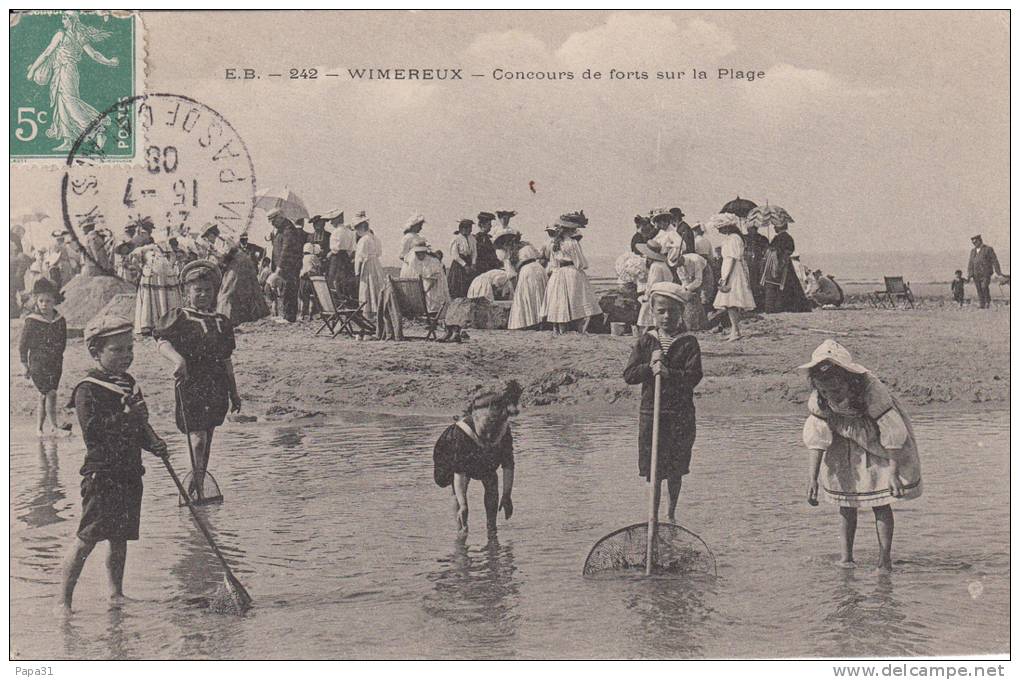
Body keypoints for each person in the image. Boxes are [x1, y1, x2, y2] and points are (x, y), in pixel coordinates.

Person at [60, 313, 168, 611]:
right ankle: (63, 602)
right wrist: (126, 415)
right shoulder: (88, 388)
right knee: (87, 538)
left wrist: (153, 443)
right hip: (102, 473)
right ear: (96, 352)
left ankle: (115, 593)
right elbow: (93, 431)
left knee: (120, 538)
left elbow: (141, 425)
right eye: (116, 350)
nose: (125, 356)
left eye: (129, 348)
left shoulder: (129, 383)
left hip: (129, 471)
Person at [801, 340, 922, 572]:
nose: (831, 396)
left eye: (836, 390)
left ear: (849, 380)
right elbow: (816, 438)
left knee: (881, 502)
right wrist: (812, 479)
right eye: (824, 391)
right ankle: (846, 558)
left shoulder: (871, 390)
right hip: (842, 443)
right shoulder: (819, 399)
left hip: (877, 443)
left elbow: (892, 432)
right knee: (846, 503)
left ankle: (884, 560)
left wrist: (894, 473)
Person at [154, 261, 241, 502]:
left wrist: (234, 392)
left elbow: (226, 360)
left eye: (207, 290)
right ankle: (189, 491)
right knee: (198, 440)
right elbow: (161, 341)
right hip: (191, 383)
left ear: (214, 291)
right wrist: (178, 360)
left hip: (216, 385)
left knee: (208, 439)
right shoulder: (180, 317)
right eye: (197, 290)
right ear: (187, 292)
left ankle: (199, 489)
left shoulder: (222, 321)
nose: (203, 295)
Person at [623, 282, 703, 523]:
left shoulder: (688, 342)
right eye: (661, 311)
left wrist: (670, 373)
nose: (667, 316)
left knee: (676, 468)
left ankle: (671, 514)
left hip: (679, 414)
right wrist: (650, 367)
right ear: (653, 312)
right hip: (652, 413)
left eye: (672, 311)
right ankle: (653, 516)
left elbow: (694, 376)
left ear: (681, 313)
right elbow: (629, 375)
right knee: (655, 469)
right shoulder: (647, 341)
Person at [433, 381, 522, 537]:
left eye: (493, 424)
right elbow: (459, 472)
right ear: (475, 418)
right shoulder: (461, 433)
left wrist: (507, 495)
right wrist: (463, 504)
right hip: (454, 455)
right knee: (456, 490)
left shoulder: (502, 429)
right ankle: (461, 529)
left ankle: (492, 530)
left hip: (481, 455)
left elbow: (508, 464)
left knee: (491, 480)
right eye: (486, 424)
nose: (489, 433)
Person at [26, 11, 120, 152]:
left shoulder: (62, 35)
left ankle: (97, 132)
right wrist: (109, 62)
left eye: (65, 18)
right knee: (61, 104)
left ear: (72, 20)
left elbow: (47, 53)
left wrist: (32, 70)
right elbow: (93, 54)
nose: (62, 20)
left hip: (67, 72)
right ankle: (67, 140)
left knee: (70, 103)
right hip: (63, 72)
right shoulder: (77, 35)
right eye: (63, 17)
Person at [20, 278, 71, 436]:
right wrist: (24, 365)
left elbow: (63, 342)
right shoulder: (32, 321)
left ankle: (39, 429)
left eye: (48, 301)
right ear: (36, 300)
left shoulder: (60, 321)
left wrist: (57, 357)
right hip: (38, 363)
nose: (44, 305)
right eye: (41, 301)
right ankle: (54, 426)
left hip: (55, 363)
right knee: (50, 393)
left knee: (44, 395)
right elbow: (23, 345)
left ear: (54, 301)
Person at [541, 212, 602, 334]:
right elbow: (580, 262)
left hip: (557, 273)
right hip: (571, 272)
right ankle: (580, 330)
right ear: (571, 229)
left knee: (559, 301)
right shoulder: (572, 243)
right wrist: (582, 267)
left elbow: (553, 263)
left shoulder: (554, 243)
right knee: (581, 300)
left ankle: (558, 329)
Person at [711, 213, 756, 341]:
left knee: (731, 302)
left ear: (727, 227)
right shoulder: (734, 237)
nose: (718, 230)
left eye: (720, 227)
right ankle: (735, 330)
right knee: (731, 303)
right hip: (732, 269)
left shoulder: (733, 238)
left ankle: (735, 331)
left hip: (733, 271)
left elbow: (732, 259)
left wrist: (726, 277)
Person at [217, 238, 271, 326]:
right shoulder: (223, 241)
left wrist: (220, 263)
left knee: (229, 291)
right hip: (241, 264)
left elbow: (226, 255)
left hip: (238, 265)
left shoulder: (222, 240)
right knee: (245, 291)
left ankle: (228, 317)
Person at [133, 238, 181, 335]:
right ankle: (158, 322)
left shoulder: (147, 251)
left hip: (157, 275)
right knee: (157, 297)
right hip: (159, 275)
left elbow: (134, 259)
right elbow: (173, 257)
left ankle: (154, 323)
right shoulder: (146, 250)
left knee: (154, 298)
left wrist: (141, 268)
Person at [761, 222, 811, 313]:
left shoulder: (779, 238)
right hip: (786, 264)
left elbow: (775, 250)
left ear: (779, 227)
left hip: (779, 264)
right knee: (789, 285)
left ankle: (778, 307)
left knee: (778, 285)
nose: (774, 228)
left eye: (775, 226)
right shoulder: (788, 237)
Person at [269, 209, 306, 322]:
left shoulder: (288, 229)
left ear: (280, 217)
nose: (272, 223)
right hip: (283, 266)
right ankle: (286, 314)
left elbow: (286, 250)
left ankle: (289, 317)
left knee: (289, 289)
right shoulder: (280, 230)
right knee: (284, 290)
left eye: (273, 220)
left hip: (288, 267)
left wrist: (279, 268)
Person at [635, 243, 673, 333]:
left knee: (645, 317)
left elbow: (652, 284)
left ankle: (644, 334)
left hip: (656, 294)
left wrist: (646, 297)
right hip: (664, 292)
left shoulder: (655, 266)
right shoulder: (663, 264)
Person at [508, 244, 547, 330]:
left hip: (527, 270)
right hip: (538, 268)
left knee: (527, 295)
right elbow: (539, 255)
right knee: (539, 293)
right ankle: (540, 320)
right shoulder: (528, 247)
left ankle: (530, 321)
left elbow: (512, 274)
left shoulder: (513, 253)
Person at [353, 213, 384, 317]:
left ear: (361, 227)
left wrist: (357, 272)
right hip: (376, 264)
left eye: (357, 228)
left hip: (367, 265)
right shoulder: (375, 238)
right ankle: (376, 310)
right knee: (375, 286)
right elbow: (379, 253)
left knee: (366, 287)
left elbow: (359, 258)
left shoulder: (363, 240)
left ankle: (367, 312)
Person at [674, 252, 710, 331]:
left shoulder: (695, 260)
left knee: (704, 296)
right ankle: (695, 323)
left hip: (704, 271)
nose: (677, 266)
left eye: (678, 264)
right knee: (691, 297)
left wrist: (688, 288)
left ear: (681, 259)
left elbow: (698, 280)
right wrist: (684, 290)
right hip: (692, 277)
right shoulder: (678, 267)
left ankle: (705, 324)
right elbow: (684, 281)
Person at [967, 234, 1004, 309]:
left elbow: (994, 260)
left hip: (986, 273)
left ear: (980, 241)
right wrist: (970, 273)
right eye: (973, 243)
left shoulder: (988, 249)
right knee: (979, 289)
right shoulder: (973, 251)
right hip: (976, 274)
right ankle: (982, 304)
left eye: (976, 242)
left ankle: (987, 302)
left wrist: (998, 272)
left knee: (984, 287)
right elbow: (970, 262)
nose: (974, 244)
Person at [447, 218, 477, 298]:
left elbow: (474, 252)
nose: (468, 230)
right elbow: (455, 255)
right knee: (457, 286)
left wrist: (473, 263)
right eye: (466, 228)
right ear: (461, 228)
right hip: (459, 264)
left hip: (469, 262)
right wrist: (464, 265)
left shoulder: (472, 239)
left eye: (469, 228)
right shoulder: (456, 239)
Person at [743, 223, 770, 311]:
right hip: (747, 263)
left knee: (759, 283)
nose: (750, 230)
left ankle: (759, 304)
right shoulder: (744, 238)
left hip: (759, 263)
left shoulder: (762, 239)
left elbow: (767, 251)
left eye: (752, 228)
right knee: (749, 283)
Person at [299, 242, 322, 321]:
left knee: (304, 298)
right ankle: (313, 313)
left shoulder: (303, 258)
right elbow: (319, 266)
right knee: (314, 297)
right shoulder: (313, 257)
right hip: (311, 279)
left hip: (302, 279)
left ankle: (303, 314)